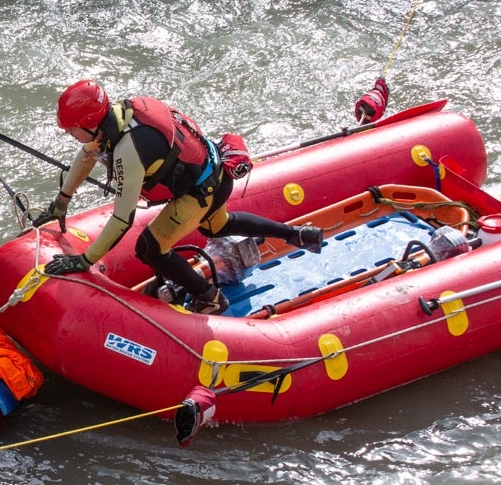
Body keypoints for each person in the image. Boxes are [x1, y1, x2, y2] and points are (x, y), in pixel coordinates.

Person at [38, 80, 322, 314]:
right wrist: (61, 202)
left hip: (200, 192)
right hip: (214, 173)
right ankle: (298, 234)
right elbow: (88, 155)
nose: (70, 134)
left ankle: (209, 298)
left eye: (72, 129)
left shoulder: (129, 150)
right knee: (218, 227)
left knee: (150, 247)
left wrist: (84, 260)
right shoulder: (120, 115)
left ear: (89, 122)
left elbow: (123, 217)